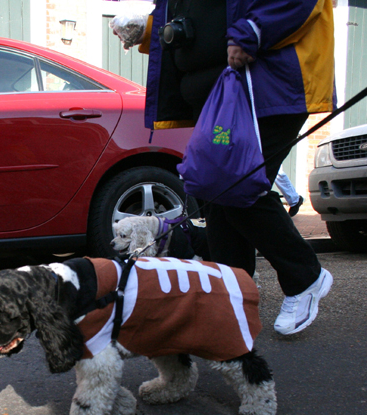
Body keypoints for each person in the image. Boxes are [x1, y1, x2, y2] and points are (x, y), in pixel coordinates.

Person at [114, 0, 335, 335]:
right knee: (215, 194)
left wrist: (252, 31)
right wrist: (150, 28)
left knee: (234, 186)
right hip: (218, 93)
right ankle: (233, 296)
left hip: (266, 87)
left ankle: (305, 277)